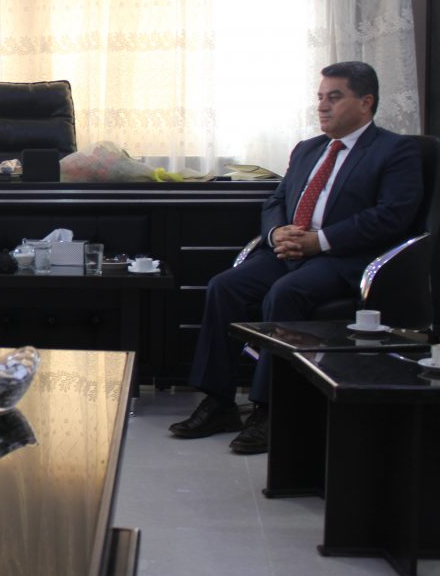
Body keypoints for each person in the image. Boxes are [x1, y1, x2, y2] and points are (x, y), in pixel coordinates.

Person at [169, 62, 423, 454]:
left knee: (285, 294)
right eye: (320, 97)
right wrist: (276, 233)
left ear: (366, 102)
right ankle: (219, 402)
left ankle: (270, 409)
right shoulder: (307, 149)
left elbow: (392, 215)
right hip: (288, 251)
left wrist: (319, 241)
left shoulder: (396, 150)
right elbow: (276, 200)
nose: (322, 106)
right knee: (224, 287)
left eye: (334, 97)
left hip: (343, 260)